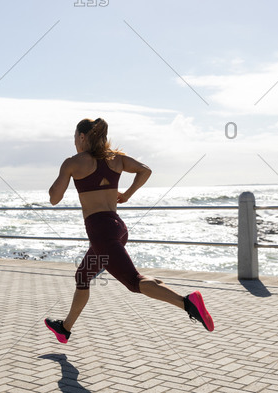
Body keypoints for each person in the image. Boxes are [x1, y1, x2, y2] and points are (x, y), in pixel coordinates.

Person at [45, 117, 214, 343]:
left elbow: (54, 199)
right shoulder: (116, 159)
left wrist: (62, 177)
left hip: (101, 232)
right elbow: (145, 170)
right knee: (83, 276)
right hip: (118, 228)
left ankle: (187, 303)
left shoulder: (73, 162)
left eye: (75, 137)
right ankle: (65, 328)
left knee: (134, 282)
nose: (74, 142)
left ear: (82, 137)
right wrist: (127, 194)